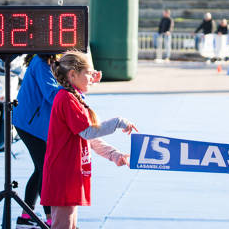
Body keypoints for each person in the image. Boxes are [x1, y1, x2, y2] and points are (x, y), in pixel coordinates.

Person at [40, 50, 138, 229]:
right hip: (63, 175)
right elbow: (87, 132)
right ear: (72, 74)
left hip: (71, 175)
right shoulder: (66, 98)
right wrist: (118, 122)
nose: (92, 78)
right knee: (64, 225)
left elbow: (90, 139)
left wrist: (115, 155)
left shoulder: (75, 98)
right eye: (88, 73)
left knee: (70, 224)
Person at [13, 54, 62, 229]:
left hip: (33, 123)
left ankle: (27, 215)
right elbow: (52, 94)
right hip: (28, 123)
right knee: (45, 168)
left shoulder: (50, 61)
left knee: (40, 167)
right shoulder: (41, 63)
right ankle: (49, 219)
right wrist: (76, 90)